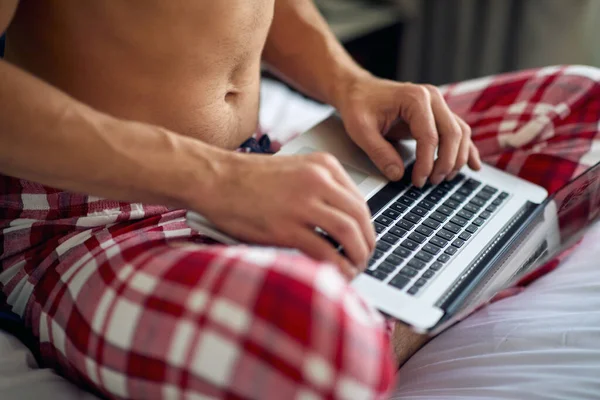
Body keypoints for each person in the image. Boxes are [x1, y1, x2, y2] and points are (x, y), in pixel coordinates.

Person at [0, 1, 598, 399]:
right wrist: (215, 180)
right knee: (322, 342)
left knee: (582, 105)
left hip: (269, 162)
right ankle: (379, 315)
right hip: (97, 213)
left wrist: (350, 83)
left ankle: (405, 298)